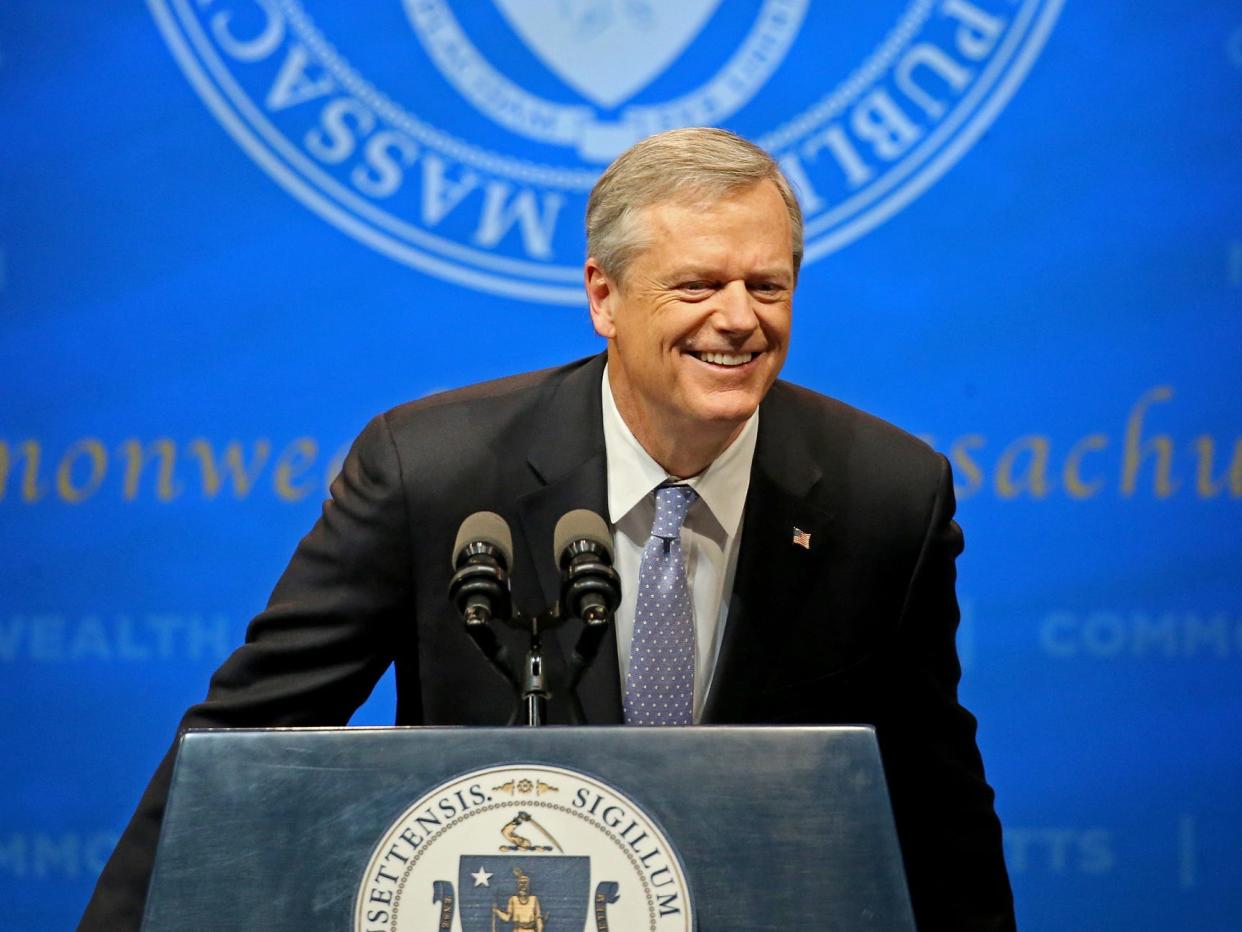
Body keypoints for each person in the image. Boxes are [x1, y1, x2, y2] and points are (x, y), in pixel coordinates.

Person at [80, 127, 1015, 930]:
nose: (738, 320)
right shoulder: (432, 471)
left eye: (767, 286)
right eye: (697, 286)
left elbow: (934, 799)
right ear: (604, 297)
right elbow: (244, 742)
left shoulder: (887, 494)